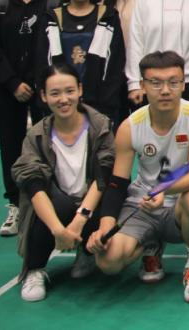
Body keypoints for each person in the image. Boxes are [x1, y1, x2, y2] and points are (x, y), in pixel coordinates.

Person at [88, 51, 189, 303]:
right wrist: (106, 225)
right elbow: (117, 183)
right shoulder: (130, 126)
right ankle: (149, 245)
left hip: (178, 206)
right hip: (141, 205)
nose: (165, 90)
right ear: (143, 86)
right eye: (155, 83)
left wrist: (163, 191)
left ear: (183, 84)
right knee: (108, 262)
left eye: (173, 82)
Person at [11, 63, 115, 302]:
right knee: (49, 208)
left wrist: (79, 220)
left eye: (69, 91)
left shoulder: (101, 127)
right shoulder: (36, 135)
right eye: (55, 93)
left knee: (113, 200)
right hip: (56, 207)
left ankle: (86, 253)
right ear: (43, 96)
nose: (64, 99)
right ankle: (35, 269)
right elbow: (34, 186)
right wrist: (58, 230)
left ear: (80, 90)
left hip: (91, 205)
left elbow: (103, 178)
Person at [0, 0, 59, 236]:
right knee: (11, 147)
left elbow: (56, 49)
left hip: (46, 91)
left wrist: (44, 85)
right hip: (10, 90)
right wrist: (13, 83)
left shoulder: (53, 4)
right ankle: (16, 204)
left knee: (50, 147)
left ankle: (51, 204)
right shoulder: (0, 7)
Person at [46, 0, 126, 121]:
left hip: (101, 105)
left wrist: (105, 102)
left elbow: (116, 63)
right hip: (61, 104)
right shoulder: (52, 18)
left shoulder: (108, 16)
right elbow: (44, 62)